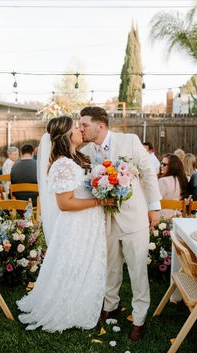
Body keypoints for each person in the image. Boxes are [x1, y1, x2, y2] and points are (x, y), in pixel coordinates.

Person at [17, 116, 107, 332]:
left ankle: (81, 302)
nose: (80, 130)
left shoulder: (76, 158)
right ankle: (67, 307)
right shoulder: (62, 164)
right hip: (76, 224)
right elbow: (65, 204)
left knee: (85, 264)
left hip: (87, 222)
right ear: (67, 136)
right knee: (73, 264)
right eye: (76, 128)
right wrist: (99, 201)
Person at [80, 106, 162, 341]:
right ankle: (111, 305)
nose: (81, 129)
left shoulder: (130, 141)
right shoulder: (85, 151)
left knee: (137, 270)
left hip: (134, 217)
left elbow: (147, 172)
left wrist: (154, 207)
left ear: (100, 125)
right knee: (110, 266)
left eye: (84, 124)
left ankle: (139, 318)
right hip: (104, 220)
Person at [158, 154, 188, 218]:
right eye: (161, 163)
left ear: (173, 166)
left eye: (164, 164)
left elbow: (156, 200)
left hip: (162, 217)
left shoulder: (163, 181)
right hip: (178, 216)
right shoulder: (183, 180)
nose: (161, 166)